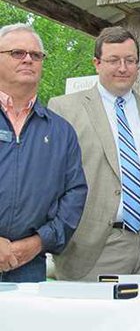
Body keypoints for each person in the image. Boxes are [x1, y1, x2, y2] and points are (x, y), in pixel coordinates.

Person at [48, 26, 140, 281]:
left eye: (130, 60)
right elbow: (51, 179)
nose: (123, 68)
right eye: (114, 60)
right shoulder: (64, 109)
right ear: (97, 63)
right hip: (92, 249)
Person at [0, 23, 87, 282]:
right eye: (17, 53)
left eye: (36, 55)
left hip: (28, 266)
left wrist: (38, 242)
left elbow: (75, 194)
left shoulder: (61, 132)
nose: (28, 59)